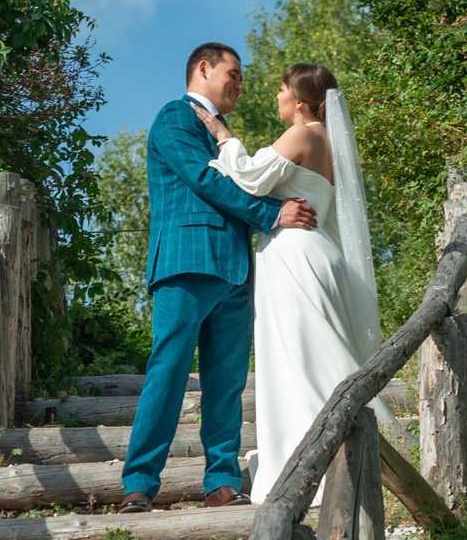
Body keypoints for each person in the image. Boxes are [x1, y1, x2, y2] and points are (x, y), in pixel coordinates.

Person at [119, 43, 318, 513]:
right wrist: (272, 213)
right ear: (203, 68)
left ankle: (222, 481)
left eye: (242, 79)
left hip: (235, 269)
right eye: (233, 73)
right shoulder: (175, 117)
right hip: (187, 263)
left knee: (226, 382)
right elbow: (206, 182)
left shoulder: (220, 131)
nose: (239, 85)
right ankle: (140, 483)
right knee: (167, 372)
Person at [196, 63, 384, 502]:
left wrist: (225, 138)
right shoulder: (330, 142)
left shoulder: (305, 133)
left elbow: (251, 177)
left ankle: (325, 461)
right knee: (307, 353)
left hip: (296, 255)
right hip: (315, 250)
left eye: (281, 91)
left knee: (302, 357)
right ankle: (330, 452)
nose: (276, 97)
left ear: (300, 103)